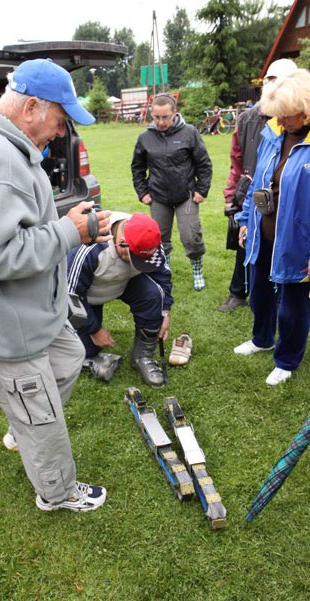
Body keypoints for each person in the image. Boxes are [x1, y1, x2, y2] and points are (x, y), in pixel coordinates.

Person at [0, 59, 112, 512]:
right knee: (44, 420)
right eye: (60, 120)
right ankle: (57, 493)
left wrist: (61, 225)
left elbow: (12, 226)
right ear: (32, 106)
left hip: (30, 312)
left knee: (71, 356)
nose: (61, 133)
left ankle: (24, 425)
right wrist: (68, 232)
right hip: (6, 326)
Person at [234, 68, 310, 386]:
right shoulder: (273, 133)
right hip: (264, 233)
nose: (281, 120)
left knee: (293, 305)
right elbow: (257, 183)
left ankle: (287, 360)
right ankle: (262, 338)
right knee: (260, 293)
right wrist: (244, 220)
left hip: (298, 241)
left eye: (287, 115)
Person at [219, 58, 298, 312]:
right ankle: (238, 292)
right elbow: (237, 160)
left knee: (282, 247)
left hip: (287, 195)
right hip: (251, 191)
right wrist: (232, 193)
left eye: (278, 82)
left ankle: (280, 297)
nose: (271, 86)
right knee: (245, 243)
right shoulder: (247, 119)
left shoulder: (297, 121)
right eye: (268, 80)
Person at [67, 212, 173, 387]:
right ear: (121, 240)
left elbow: (163, 278)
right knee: (87, 350)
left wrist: (166, 312)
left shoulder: (150, 241)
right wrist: (95, 330)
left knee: (155, 294)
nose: (135, 262)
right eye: (133, 257)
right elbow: (71, 296)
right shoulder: (90, 247)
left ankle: (142, 357)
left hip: (125, 282)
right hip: (88, 293)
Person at [131, 94, 212, 291]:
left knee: (190, 235)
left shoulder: (190, 133)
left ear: (174, 114)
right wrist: (143, 193)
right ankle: (163, 270)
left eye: (165, 117)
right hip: (158, 196)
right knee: (159, 238)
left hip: (187, 195)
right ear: (152, 114)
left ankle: (197, 268)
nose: (161, 122)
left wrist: (201, 189)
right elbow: (137, 168)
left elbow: (204, 163)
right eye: (156, 117)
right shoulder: (145, 138)